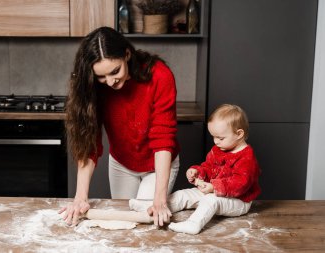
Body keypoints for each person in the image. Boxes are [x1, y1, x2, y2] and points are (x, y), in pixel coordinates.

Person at [59, 27, 180, 226]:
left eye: (115, 71)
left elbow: (163, 139)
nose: (110, 82)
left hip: (158, 163)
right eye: (101, 77)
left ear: (127, 54)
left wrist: (160, 199)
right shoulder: (95, 88)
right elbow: (89, 141)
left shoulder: (160, 75)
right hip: (121, 163)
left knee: (146, 220)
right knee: (124, 225)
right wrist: (80, 197)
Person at [130, 104, 261, 234]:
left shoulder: (247, 157)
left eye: (220, 138)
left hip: (239, 201)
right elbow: (209, 167)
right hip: (213, 191)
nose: (216, 142)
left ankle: (193, 224)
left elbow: (241, 183)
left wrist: (214, 187)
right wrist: (198, 172)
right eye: (213, 137)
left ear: (239, 134)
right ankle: (152, 206)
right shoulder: (219, 149)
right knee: (183, 194)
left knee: (210, 200)